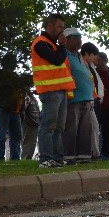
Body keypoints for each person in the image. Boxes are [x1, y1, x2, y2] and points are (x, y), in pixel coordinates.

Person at [30, 13, 76, 168]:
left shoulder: (53, 44)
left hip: (60, 90)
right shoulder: (40, 43)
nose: (62, 31)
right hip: (50, 91)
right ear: (50, 26)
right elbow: (56, 60)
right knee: (49, 125)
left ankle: (56, 157)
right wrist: (62, 45)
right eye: (60, 27)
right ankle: (45, 158)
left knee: (59, 127)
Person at [62, 29, 96, 163]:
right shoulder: (63, 55)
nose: (80, 42)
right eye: (76, 38)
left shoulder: (79, 57)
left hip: (87, 98)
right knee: (71, 128)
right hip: (73, 98)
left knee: (86, 129)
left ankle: (84, 156)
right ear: (68, 40)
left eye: (80, 38)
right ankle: (69, 157)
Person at [0, 53, 25, 161]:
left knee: (16, 136)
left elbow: (20, 94)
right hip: (2, 109)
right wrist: (0, 103)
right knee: (1, 135)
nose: (13, 64)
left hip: (15, 111)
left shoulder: (15, 76)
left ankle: (15, 158)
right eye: (12, 62)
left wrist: (21, 110)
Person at [81, 42, 103, 160]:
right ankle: (92, 153)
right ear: (87, 54)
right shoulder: (82, 65)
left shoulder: (90, 66)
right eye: (93, 55)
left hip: (92, 99)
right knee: (91, 126)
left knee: (94, 126)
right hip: (86, 99)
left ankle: (94, 152)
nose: (95, 58)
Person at [21, 90, 40, 159]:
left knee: (32, 143)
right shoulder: (26, 96)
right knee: (28, 142)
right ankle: (25, 159)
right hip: (29, 121)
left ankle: (27, 159)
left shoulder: (31, 96)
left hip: (34, 122)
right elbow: (23, 109)